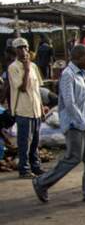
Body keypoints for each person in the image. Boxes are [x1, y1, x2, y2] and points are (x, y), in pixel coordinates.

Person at [32, 45, 85, 203]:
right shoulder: (68, 75)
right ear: (77, 58)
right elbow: (70, 103)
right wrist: (84, 124)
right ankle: (42, 182)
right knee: (73, 158)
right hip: (75, 125)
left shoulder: (81, 74)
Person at [7, 37, 44, 178]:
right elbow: (22, 88)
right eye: (20, 48)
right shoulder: (13, 68)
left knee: (35, 141)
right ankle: (24, 169)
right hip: (23, 110)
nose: (23, 51)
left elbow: (36, 90)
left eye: (25, 48)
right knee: (24, 142)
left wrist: (41, 107)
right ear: (15, 51)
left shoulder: (33, 66)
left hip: (35, 109)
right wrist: (26, 70)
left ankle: (36, 166)